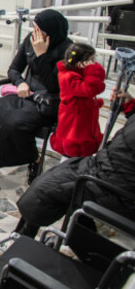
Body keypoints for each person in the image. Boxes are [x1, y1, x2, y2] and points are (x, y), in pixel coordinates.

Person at [0, 9, 73, 186]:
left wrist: (41, 56)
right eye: (34, 27)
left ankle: (34, 160)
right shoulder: (30, 40)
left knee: (13, 124)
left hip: (47, 102)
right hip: (24, 95)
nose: (35, 32)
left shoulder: (67, 50)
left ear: (51, 32)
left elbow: (56, 86)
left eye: (39, 29)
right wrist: (20, 83)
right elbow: (13, 69)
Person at [15, 88, 135, 238]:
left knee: (45, 191)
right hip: (106, 168)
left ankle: (22, 237)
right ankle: (22, 237)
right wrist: (130, 104)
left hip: (116, 186)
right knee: (50, 180)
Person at [50, 43, 106, 158]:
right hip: (74, 127)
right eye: (91, 60)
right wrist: (93, 71)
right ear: (80, 63)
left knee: (81, 152)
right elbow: (90, 89)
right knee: (72, 153)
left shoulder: (79, 74)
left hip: (83, 122)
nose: (94, 63)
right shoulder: (69, 77)